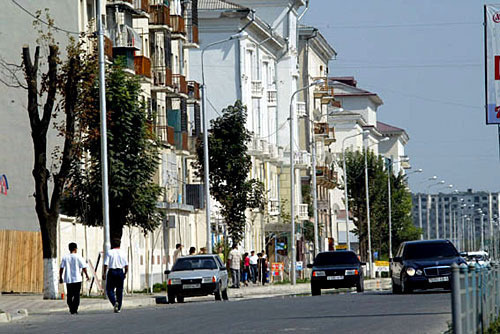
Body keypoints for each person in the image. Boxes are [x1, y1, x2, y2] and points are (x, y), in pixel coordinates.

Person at [59, 242, 90, 315]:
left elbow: (61, 268)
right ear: (75, 249)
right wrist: (87, 275)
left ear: (69, 249)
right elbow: (83, 267)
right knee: (76, 295)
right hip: (77, 279)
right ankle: (75, 309)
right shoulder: (79, 257)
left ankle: (71, 308)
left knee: (69, 295)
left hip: (68, 279)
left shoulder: (65, 257)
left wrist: (60, 277)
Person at [102, 238, 128, 313]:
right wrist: (125, 273)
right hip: (120, 271)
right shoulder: (123, 253)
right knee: (119, 290)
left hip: (112, 271)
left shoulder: (109, 252)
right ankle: (118, 307)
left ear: (112, 244)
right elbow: (126, 265)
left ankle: (114, 303)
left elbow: (105, 264)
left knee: (109, 290)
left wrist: (104, 273)